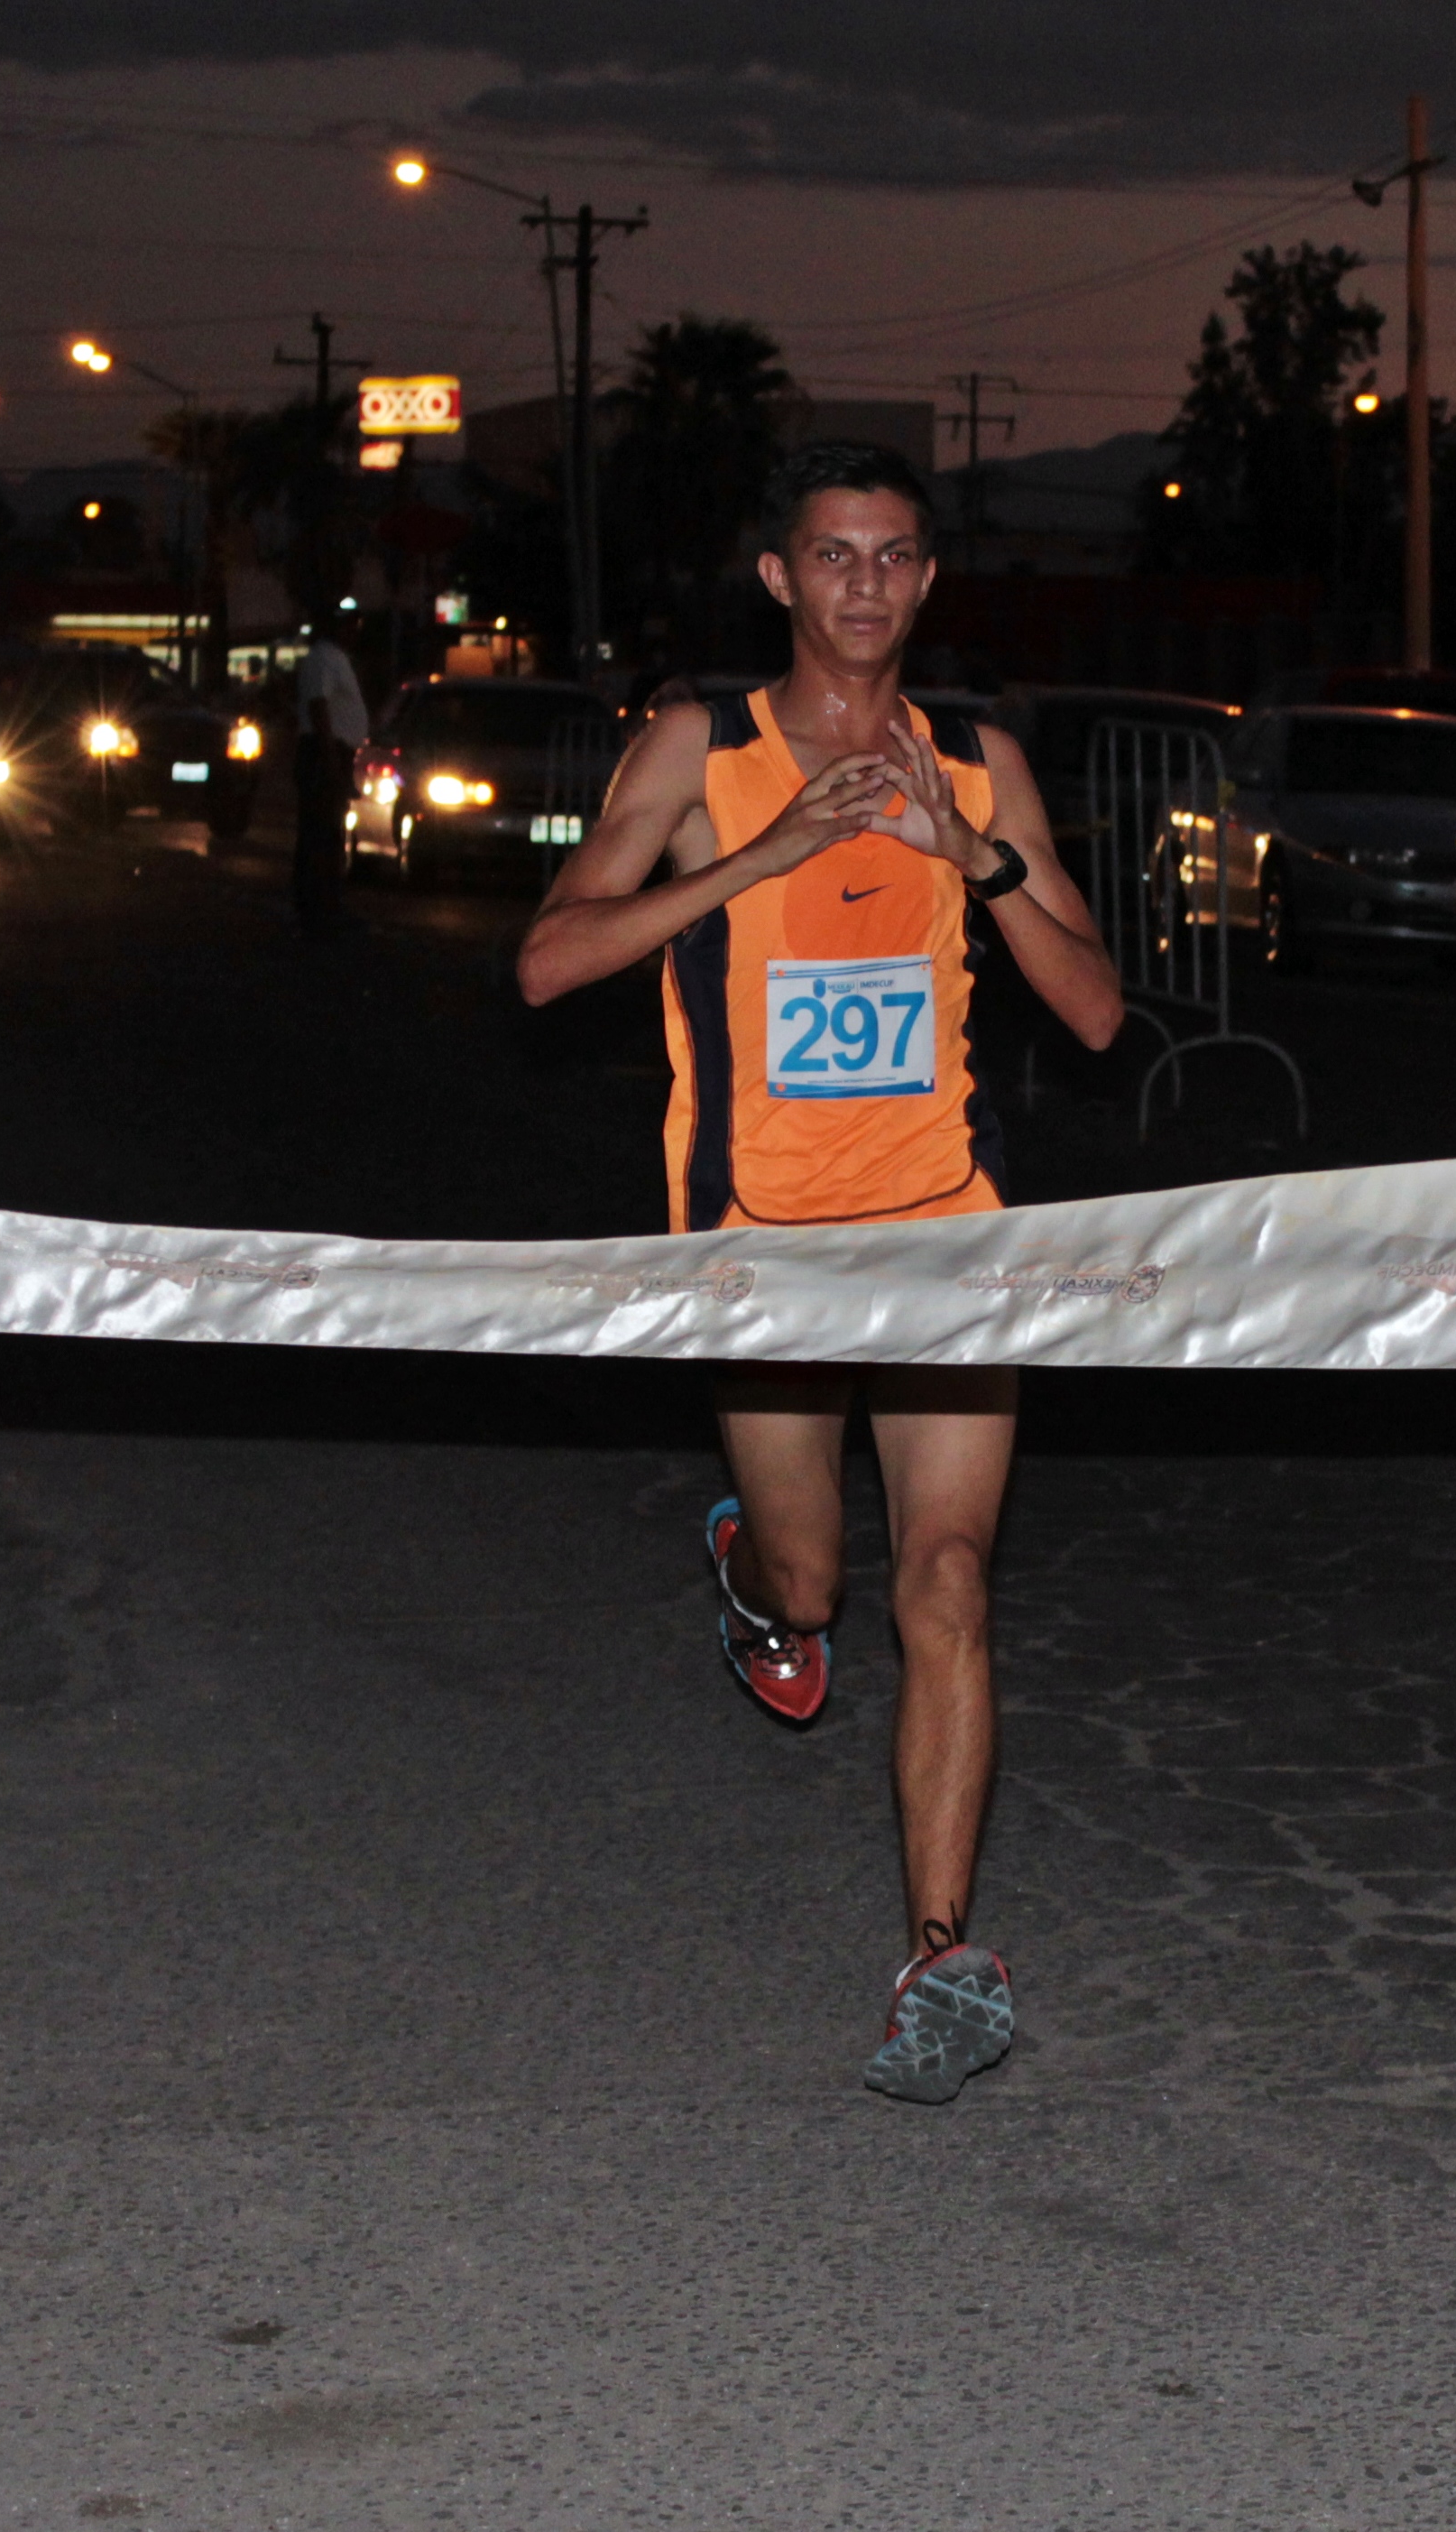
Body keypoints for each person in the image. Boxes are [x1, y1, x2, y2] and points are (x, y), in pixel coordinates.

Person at [518, 443, 1123, 2102]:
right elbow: (548, 958)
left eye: (893, 557)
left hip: (942, 1230)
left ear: (926, 581)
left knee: (948, 1583)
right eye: (830, 557)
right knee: (817, 1592)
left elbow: (1092, 1014)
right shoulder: (693, 750)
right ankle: (753, 1581)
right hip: (756, 1249)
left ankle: (937, 1953)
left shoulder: (977, 759)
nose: (862, 584)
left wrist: (974, 855)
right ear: (777, 579)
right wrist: (752, 861)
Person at [292, 626, 367, 937]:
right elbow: (318, 705)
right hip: (325, 752)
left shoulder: (335, 658)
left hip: (332, 751)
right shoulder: (323, 657)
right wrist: (331, 758)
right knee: (322, 832)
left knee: (328, 831)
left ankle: (324, 906)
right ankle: (318, 910)